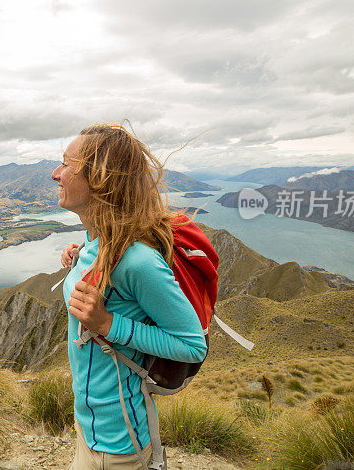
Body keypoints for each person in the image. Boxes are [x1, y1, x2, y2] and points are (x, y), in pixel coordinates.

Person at [51, 123, 209, 470]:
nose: (55, 174)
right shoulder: (95, 240)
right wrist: (77, 259)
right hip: (87, 427)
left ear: (100, 179)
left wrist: (108, 323)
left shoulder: (138, 261)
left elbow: (192, 345)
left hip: (119, 446)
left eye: (66, 165)